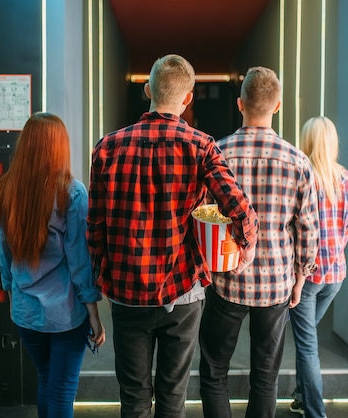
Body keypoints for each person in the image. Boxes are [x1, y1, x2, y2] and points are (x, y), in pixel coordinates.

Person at [86, 54, 259, 418]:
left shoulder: (107, 147)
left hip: (127, 291)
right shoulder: (201, 146)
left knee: (133, 399)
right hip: (183, 291)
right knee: (172, 396)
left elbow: (95, 225)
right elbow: (239, 208)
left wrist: (104, 274)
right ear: (188, 98)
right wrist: (246, 245)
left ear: (148, 89)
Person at [198, 66, 320, 418]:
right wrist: (300, 278)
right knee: (266, 379)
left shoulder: (217, 153)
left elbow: (204, 216)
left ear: (240, 104)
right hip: (276, 284)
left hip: (227, 280)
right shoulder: (298, 161)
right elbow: (307, 228)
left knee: (214, 372)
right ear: (278, 106)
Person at [0, 112, 106, 418]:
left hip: (25, 311)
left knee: (46, 380)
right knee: (62, 389)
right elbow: (80, 261)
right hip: (65, 312)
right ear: (59, 148)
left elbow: (3, 255)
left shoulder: (1, 192)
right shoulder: (71, 193)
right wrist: (93, 312)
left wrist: (11, 292)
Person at [288, 116, 348, 418]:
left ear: (307, 142)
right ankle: (301, 395)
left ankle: (315, 413)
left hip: (308, 275)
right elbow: (346, 229)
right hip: (336, 272)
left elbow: (297, 229)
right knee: (309, 337)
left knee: (307, 346)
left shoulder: (302, 177)